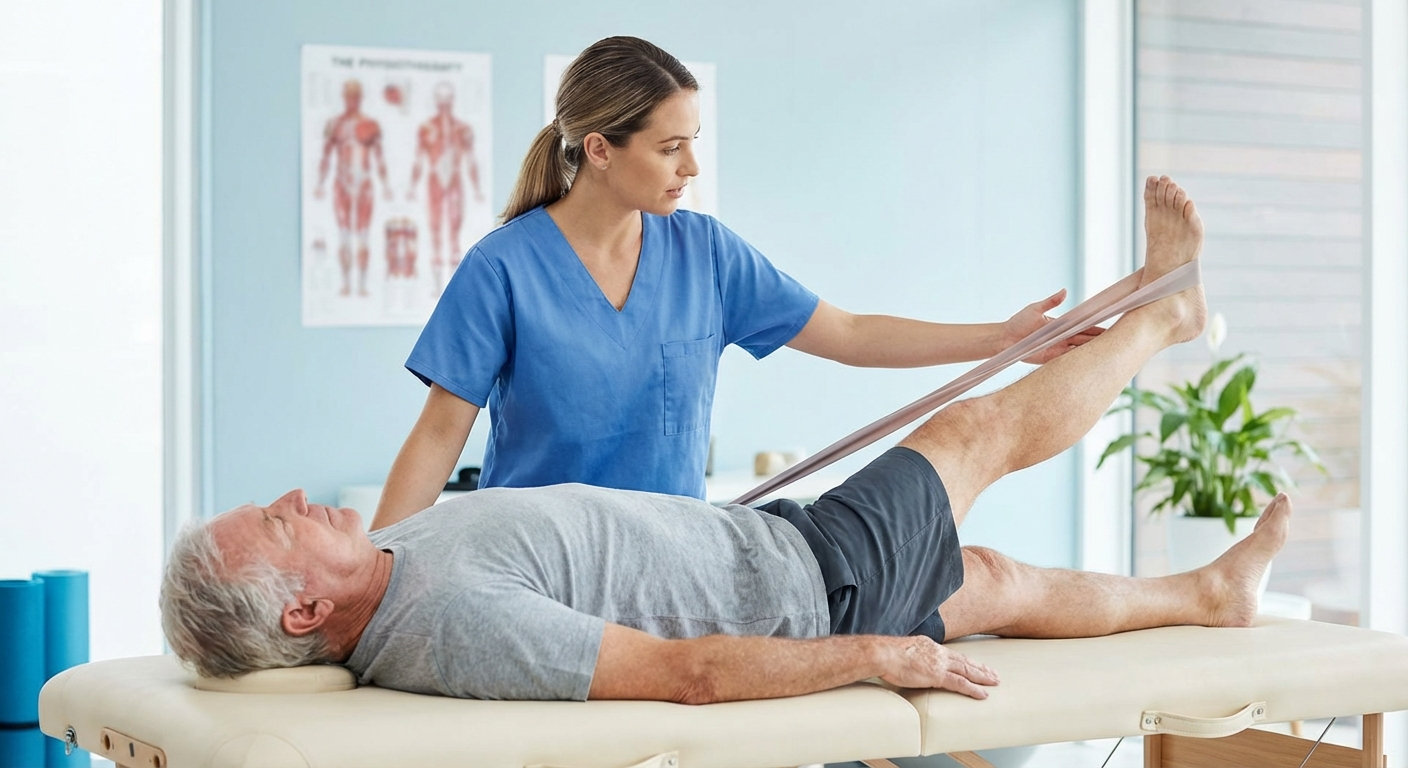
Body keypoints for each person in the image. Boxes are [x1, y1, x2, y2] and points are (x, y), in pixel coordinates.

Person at [164, 178, 1290, 703]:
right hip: (806, 590)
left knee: (990, 577)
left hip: (766, 553)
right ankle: (1166, 315)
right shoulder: (449, 619)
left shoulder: (394, 567)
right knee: (976, 432)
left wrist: (998, 333)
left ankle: (1209, 596)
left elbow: (845, 330)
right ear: (302, 614)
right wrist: (872, 656)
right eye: (276, 523)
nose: (294, 498)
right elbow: (686, 674)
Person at [371, 36, 1103, 529]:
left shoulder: (707, 254)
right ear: (599, 149)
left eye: (693, 143)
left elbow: (849, 334)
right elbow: (438, 435)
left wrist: (1003, 339)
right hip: (536, 566)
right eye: (670, 147)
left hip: (675, 565)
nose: (691, 167)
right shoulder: (502, 268)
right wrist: (373, 577)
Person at [314, 79, 392, 298]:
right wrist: (320, 184)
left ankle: (363, 284)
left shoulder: (370, 125)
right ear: (344, 97)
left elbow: (379, 156)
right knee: (344, 236)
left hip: (364, 184)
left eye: (356, 95)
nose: (353, 100)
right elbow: (326, 156)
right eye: (349, 95)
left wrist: (386, 185)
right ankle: (347, 284)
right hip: (342, 183)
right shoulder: (335, 125)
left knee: (363, 235)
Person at [407, 82, 484, 295]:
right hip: (435, 181)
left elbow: (470, 160)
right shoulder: (427, 129)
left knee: (454, 231)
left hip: (454, 182)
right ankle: (436, 287)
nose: (444, 105)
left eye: (447, 100)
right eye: (440, 100)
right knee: (435, 231)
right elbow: (419, 159)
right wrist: (412, 186)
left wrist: (476, 188)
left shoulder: (462, 130)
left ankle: (453, 288)